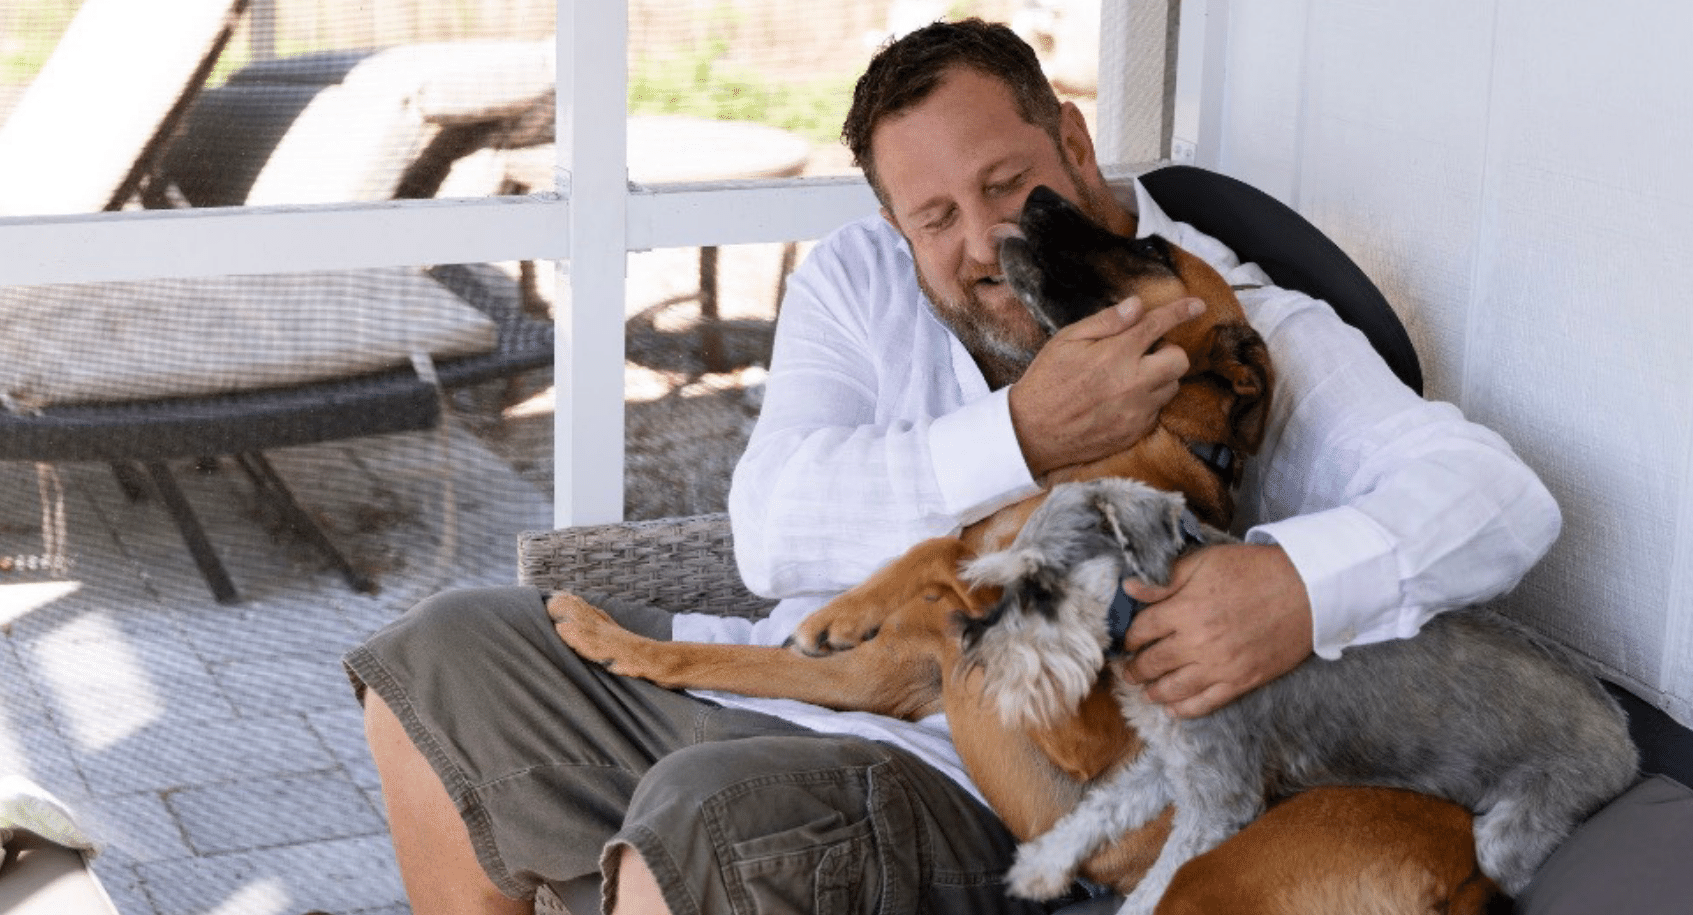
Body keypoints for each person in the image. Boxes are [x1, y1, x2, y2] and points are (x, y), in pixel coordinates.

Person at [346, 18, 1561, 915]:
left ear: (1072, 145)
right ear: (893, 221)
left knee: (711, 816)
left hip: (972, 784)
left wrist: (1293, 588)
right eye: (934, 217)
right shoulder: (855, 284)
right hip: (792, 682)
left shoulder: (1222, 327)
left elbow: (1498, 499)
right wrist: (1024, 434)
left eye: (1006, 187)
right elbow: (770, 530)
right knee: (440, 653)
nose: (980, 245)